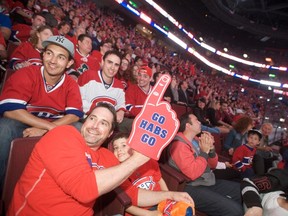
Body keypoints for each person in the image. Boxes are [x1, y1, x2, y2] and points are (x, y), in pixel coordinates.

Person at [8, 103, 193, 215]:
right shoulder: (62, 135)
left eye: (103, 123)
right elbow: (83, 189)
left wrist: (170, 194)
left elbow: (133, 196)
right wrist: (138, 159)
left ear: (110, 133)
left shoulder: (107, 157)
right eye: (92, 119)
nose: (94, 126)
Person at [0, 35, 83, 193]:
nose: (53, 61)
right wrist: (49, 127)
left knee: (78, 129)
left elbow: (74, 116)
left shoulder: (71, 84)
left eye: (61, 57)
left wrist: (45, 131)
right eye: (49, 53)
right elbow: (10, 110)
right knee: (4, 128)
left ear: (69, 63)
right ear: (43, 54)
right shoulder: (27, 73)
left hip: (53, 129)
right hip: (23, 124)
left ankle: (59, 190)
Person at [168, 113, 243, 216]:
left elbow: (213, 165)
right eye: (196, 120)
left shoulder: (196, 139)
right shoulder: (179, 145)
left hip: (205, 181)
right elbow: (192, 173)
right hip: (190, 186)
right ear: (188, 125)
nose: (199, 122)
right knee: (235, 211)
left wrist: (211, 150)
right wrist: (204, 152)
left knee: (241, 191)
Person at [112, 132, 169, 216]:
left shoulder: (149, 161)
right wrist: (150, 214)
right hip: (140, 211)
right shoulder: (118, 172)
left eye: (123, 145)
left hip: (159, 203)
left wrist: (168, 199)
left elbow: (159, 180)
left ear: (134, 147)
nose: (119, 150)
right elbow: (126, 204)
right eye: (115, 148)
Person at [78, 50, 125, 123]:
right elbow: (78, 100)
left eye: (116, 65)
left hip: (109, 122)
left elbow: (121, 104)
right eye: (109, 62)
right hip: (86, 118)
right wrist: (100, 110)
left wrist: (121, 111)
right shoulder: (88, 76)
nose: (112, 67)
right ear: (102, 62)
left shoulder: (120, 85)